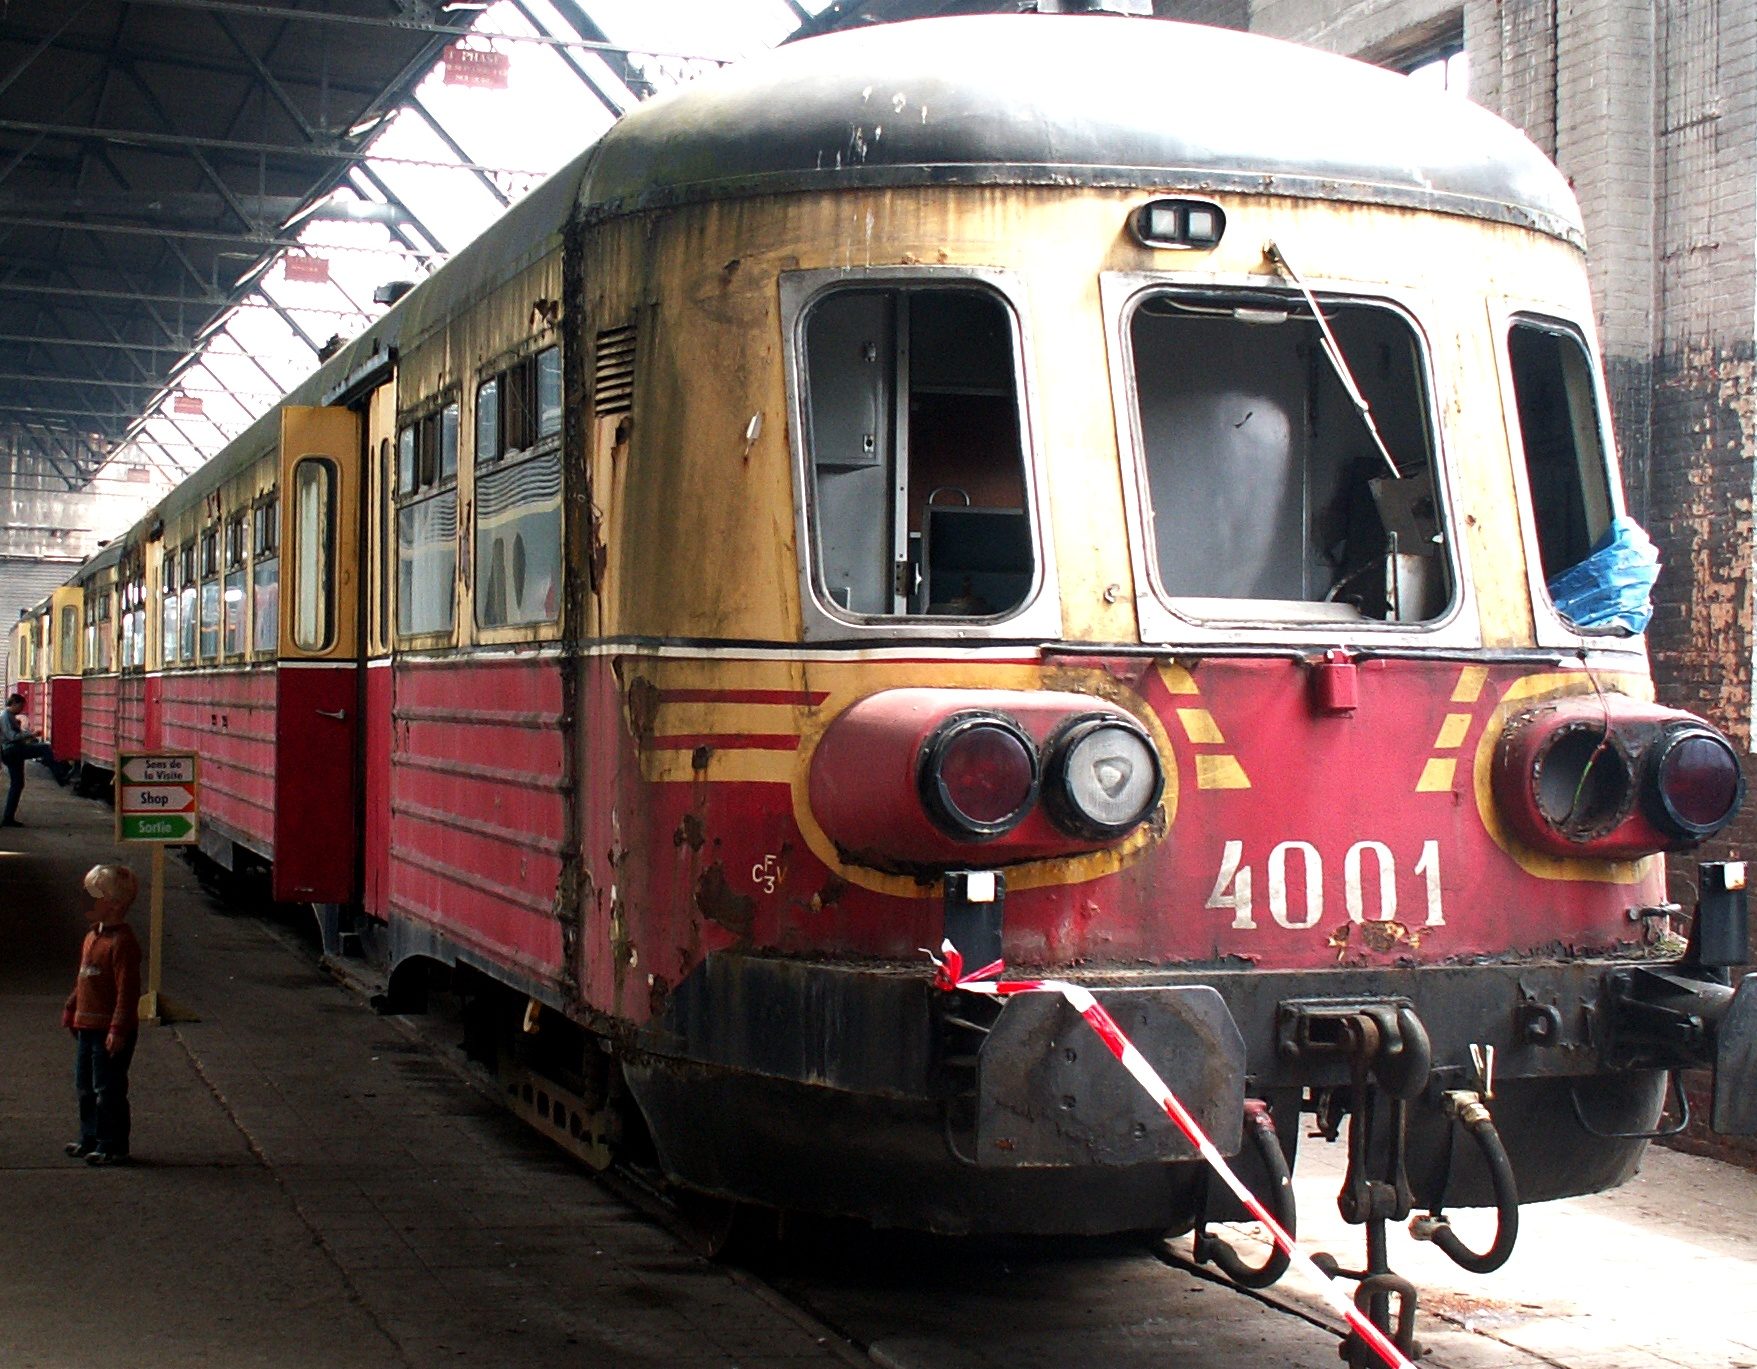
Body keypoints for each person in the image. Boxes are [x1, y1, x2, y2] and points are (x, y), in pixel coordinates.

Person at [62, 864, 142, 1167]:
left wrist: (118, 1028)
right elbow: (84, 978)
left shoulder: (122, 944)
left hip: (109, 1028)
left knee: (107, 1088)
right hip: (87, 1024)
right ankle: (90, 1136)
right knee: (84, 1085)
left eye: (93, 895)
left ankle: (113, 1143)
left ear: (116, 904)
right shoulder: (92, 937)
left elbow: (127, 991)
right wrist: (72, 1006)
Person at [1, 692, 71, 826]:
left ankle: (8, 818)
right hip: (11, 751)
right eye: (21, 706)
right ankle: (60, 776)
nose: (22, 709)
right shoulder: (5, 716)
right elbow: (11, 736)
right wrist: (30, 735)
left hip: (13, 751)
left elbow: (17, 734)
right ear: (14, 703)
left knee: (18, 784)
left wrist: (29, 735)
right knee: (44, 748)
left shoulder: (10, 716)